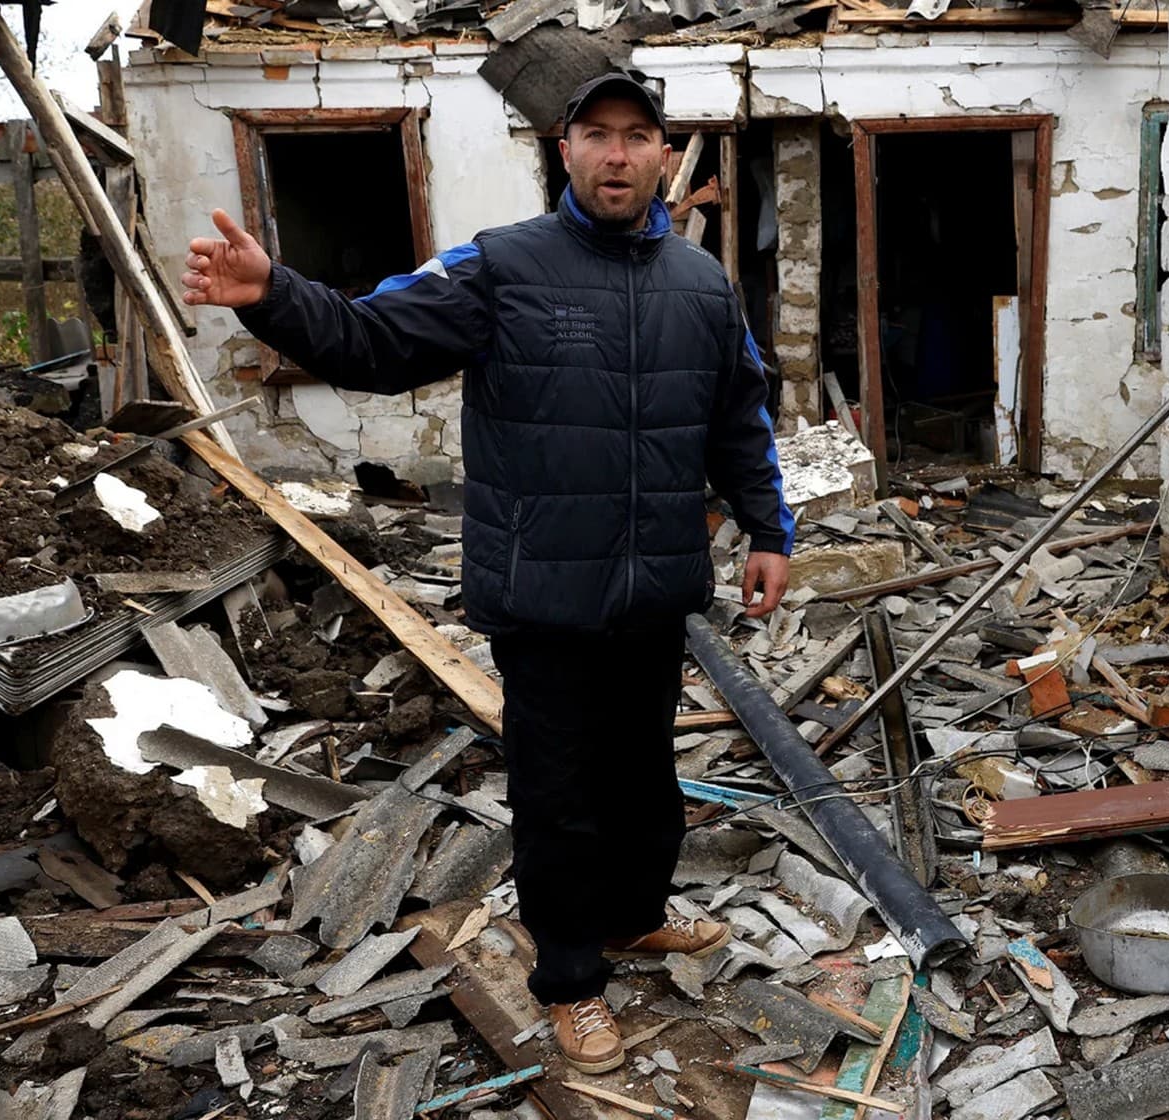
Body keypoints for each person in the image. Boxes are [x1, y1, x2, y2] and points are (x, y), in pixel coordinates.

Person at [179, 73, 794, 1074]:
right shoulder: (503, 267)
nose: (618, 155)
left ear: (664, 155)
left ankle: (635, 919)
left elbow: (739, 418)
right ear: (566, 148)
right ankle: (570, 981)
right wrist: (276, 296)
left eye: (639, 137)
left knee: (645, 780)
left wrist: (769, 530)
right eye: (598, 134)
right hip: (543, 596)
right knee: (560, 795)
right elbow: (376, 340)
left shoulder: (703, 286)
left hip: (653, 591)